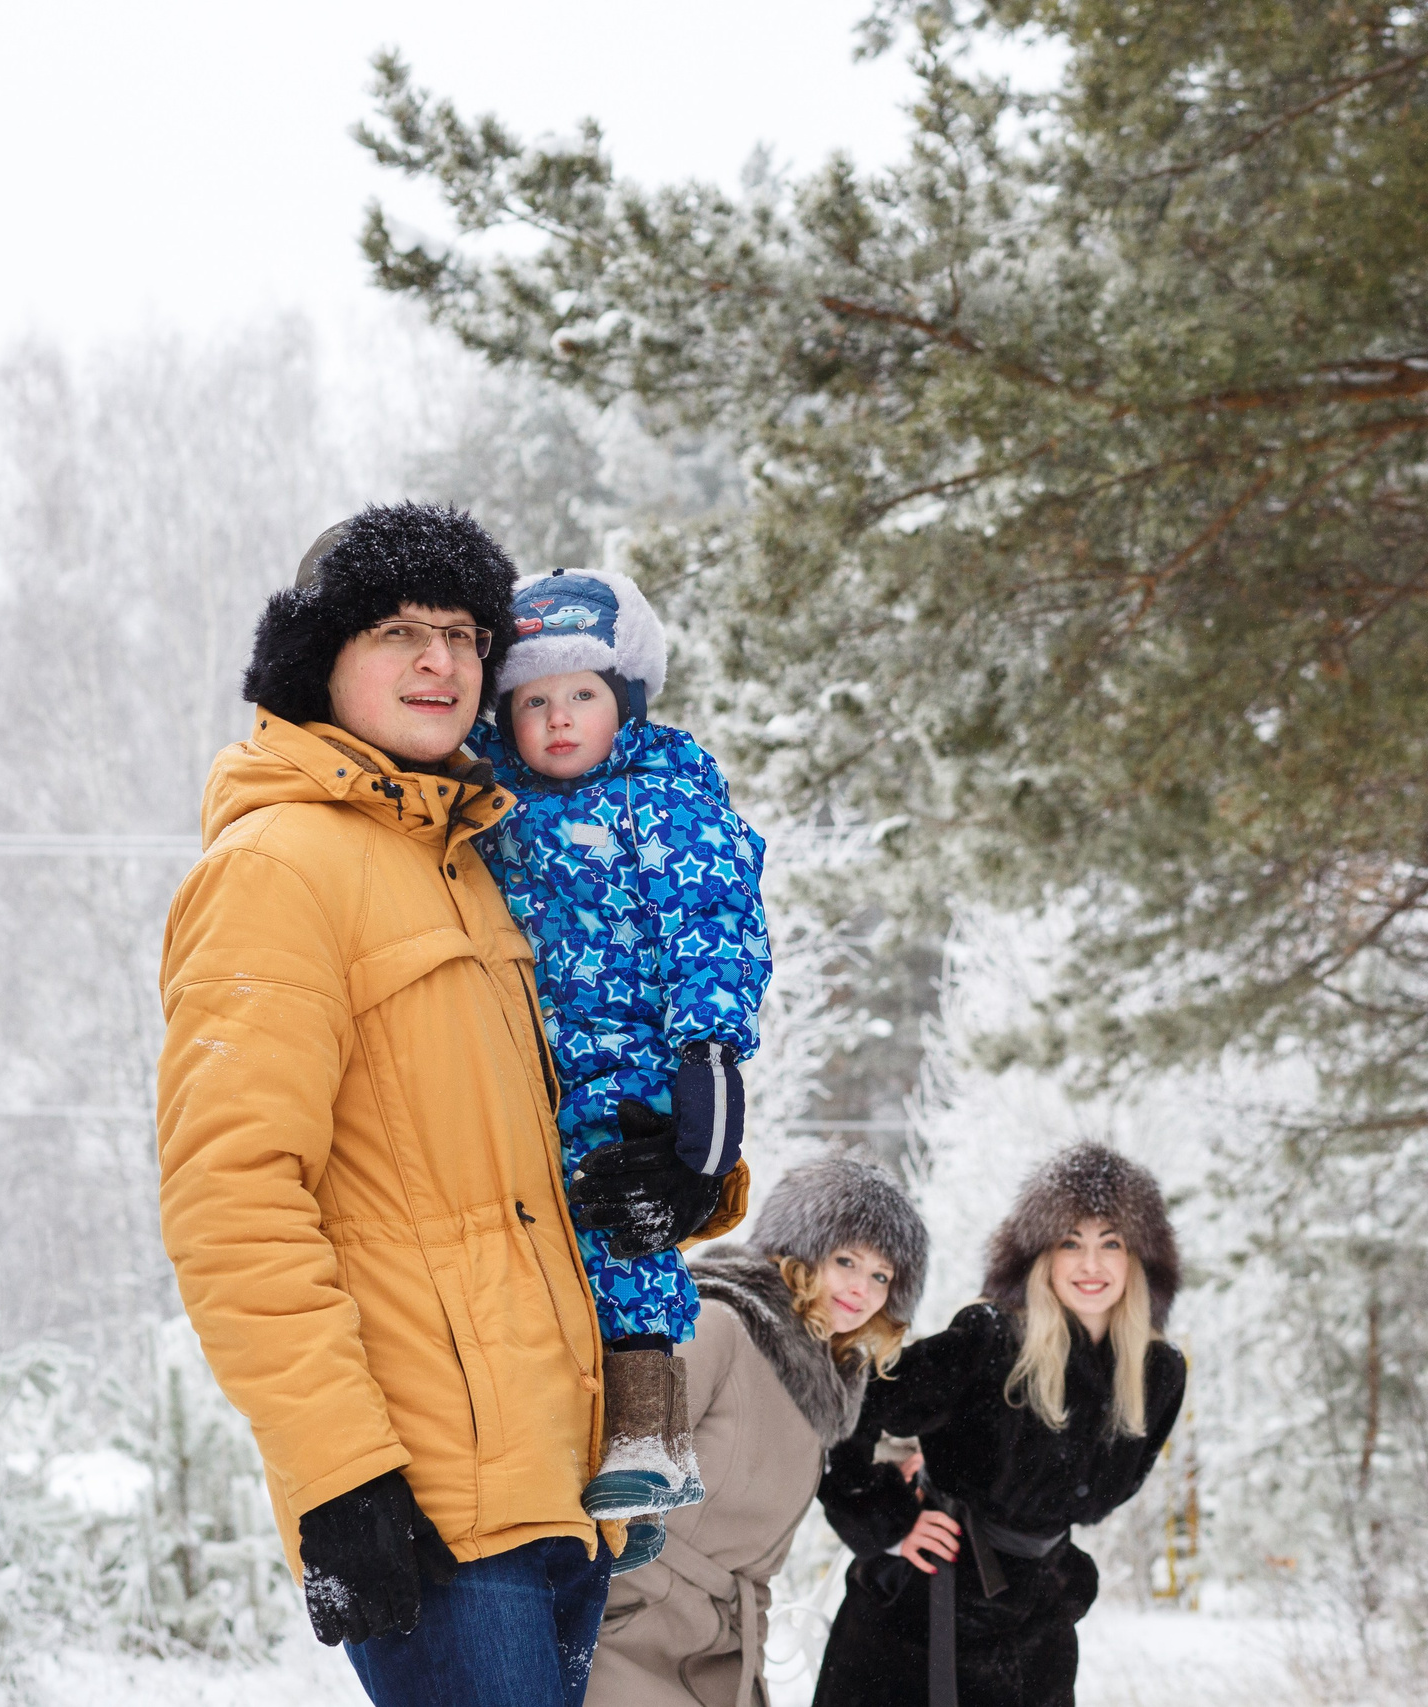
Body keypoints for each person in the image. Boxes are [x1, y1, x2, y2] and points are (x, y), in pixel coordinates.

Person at [155, 505, 748, 1707]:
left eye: (464, 634)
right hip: (429, 1497)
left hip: (562, 1476)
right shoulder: (278, 869)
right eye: (396, 631)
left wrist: (680, 1180)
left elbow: (534, 1161)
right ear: (316, 661)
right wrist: (340, 1479)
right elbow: (233, 1200)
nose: (440, 660)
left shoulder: (475, 861)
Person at [473, 568, 770, 1557]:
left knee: (624, 1227)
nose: (559, 720)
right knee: (541, 1256)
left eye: (582, 696)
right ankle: (600, 1491)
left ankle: (649, 1435)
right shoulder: (491, 803)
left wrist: (708, 1059)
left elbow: (713, 924)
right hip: (526, 1070)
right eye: (533, 702)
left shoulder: (663, 798)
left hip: (630, 1064)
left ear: (625, 701)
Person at [812, 1144, 1186, 1707]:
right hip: (920, 1620)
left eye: (1112, 1243)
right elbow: (853, 1404)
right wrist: (886, 1517)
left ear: (1139, 1260)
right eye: (1071, 1243)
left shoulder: (1157, 1375)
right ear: (1042, 1256)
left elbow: (1100, 1494)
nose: (1091, 1265)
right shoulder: (989, 1339)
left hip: (1036, 1626)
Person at [589, 1159, 931, 1707]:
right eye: (846, 1260)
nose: (861, 1288)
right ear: (801, 1250)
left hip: (726, 1650)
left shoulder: (826, 1386)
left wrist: (897, 1460)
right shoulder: (717, 1324)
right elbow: (615, 1457)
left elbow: (770, 1445)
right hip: (635, 1637)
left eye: (881, 1276)